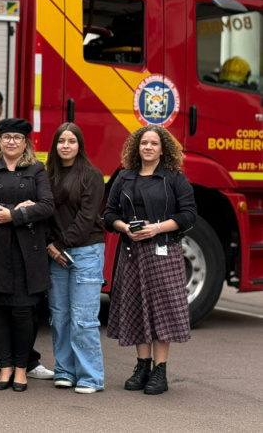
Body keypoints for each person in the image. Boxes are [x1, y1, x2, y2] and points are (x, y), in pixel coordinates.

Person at [0, 86, 53, 381]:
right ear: (0, 142)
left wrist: (12, 215)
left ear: (24, 142)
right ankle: (4, 366)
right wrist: (15, 209)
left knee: (24, 310)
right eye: (7, 137)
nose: (12, 141)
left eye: (17, 137)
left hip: (27, 250)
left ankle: (23, 366)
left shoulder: (37, 169)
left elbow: (47, 206)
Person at [103, 125, 196, 395]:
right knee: (136, 309)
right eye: (144, 143)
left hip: (163, 251)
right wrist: (125, 228)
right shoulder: (124, 176)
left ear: (162, 148)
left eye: (154, 143)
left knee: (161, 312)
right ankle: (142, 366)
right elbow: (108, 214)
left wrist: (155, 228)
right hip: (132, 252)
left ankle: (160, 371)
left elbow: (189, 215)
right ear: (137, 146)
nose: (148, 147)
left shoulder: (174, 178)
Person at [44, 123, 106, 394]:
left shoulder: (91, 175)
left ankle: (91, 377)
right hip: (57, 253)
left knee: (83, 318)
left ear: (79, 145)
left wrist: (58, 244)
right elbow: (44, 213)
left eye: (71, 141)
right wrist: (50, 244)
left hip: (86, 251)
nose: (66, 145)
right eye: (61, 141)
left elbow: (86, 217)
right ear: (55, 145)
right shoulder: (49, 175)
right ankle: (65, 371)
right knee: (60, 316)